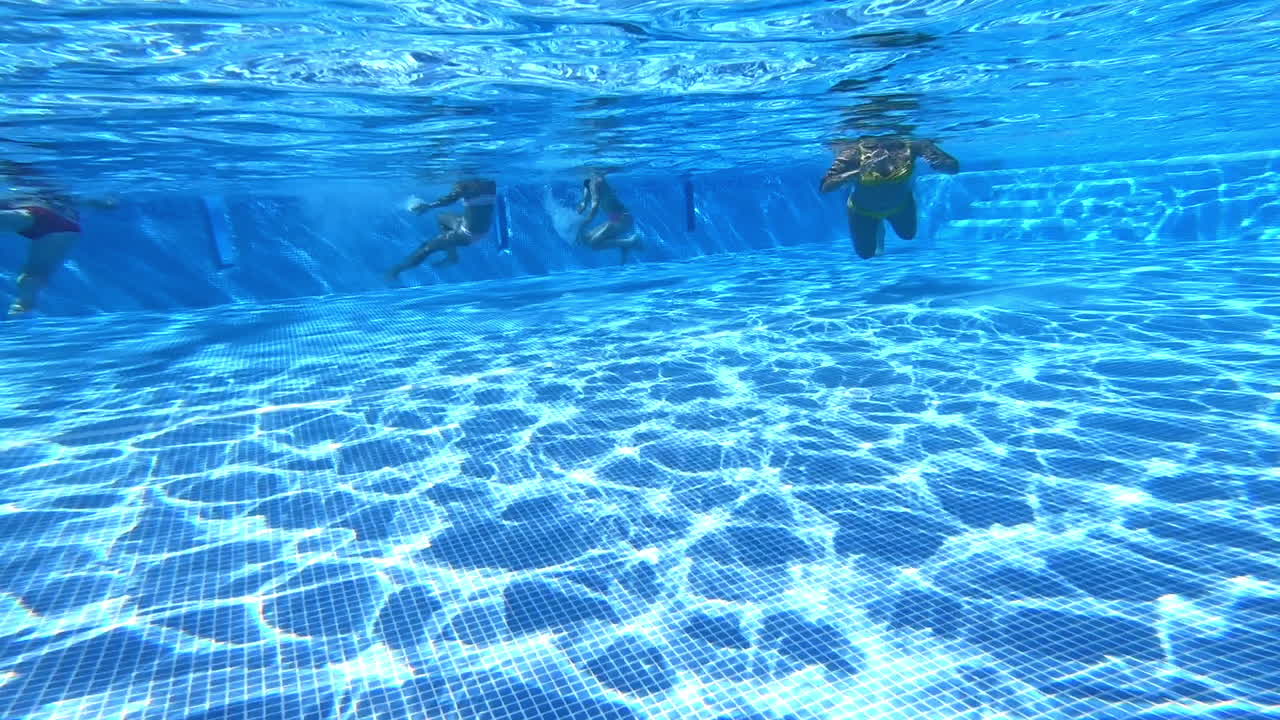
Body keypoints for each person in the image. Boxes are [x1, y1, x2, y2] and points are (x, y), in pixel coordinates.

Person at [819, 135, 959, 259]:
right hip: (862, 211)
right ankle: (878, 225)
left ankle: (909, 194)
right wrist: (858, 172)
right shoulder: (853, 153)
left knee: (907, 235)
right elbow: (826, 187)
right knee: (865, 254)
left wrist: (941, 163)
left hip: (901, 206)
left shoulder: (913, 144)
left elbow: (954, 168)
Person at [2, 161, 82, 317]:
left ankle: (22, 310)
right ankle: (21, 308)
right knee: (31, 278)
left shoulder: (15, 179)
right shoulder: (55, 187)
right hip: (68, 227)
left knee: (24, 216)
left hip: (36, 212)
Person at [387, 178, 497, 284]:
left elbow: (449, 199)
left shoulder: (464, 183)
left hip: (467, 234)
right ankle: (452, 255)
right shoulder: (489, 183)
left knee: (426, 248)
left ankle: (394, 272)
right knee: (441, 217)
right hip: (477, 227)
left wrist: (428, 206)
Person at [577, 172, 640, 262]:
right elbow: (584, 203)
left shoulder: (594, 181)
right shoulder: (589, 182)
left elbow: (595, 205)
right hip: (616, 218)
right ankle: (624, 243)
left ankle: (630, 242)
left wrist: (585, 222)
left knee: (594, 244)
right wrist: (581, 208)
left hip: (623, 218)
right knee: (586, 239)